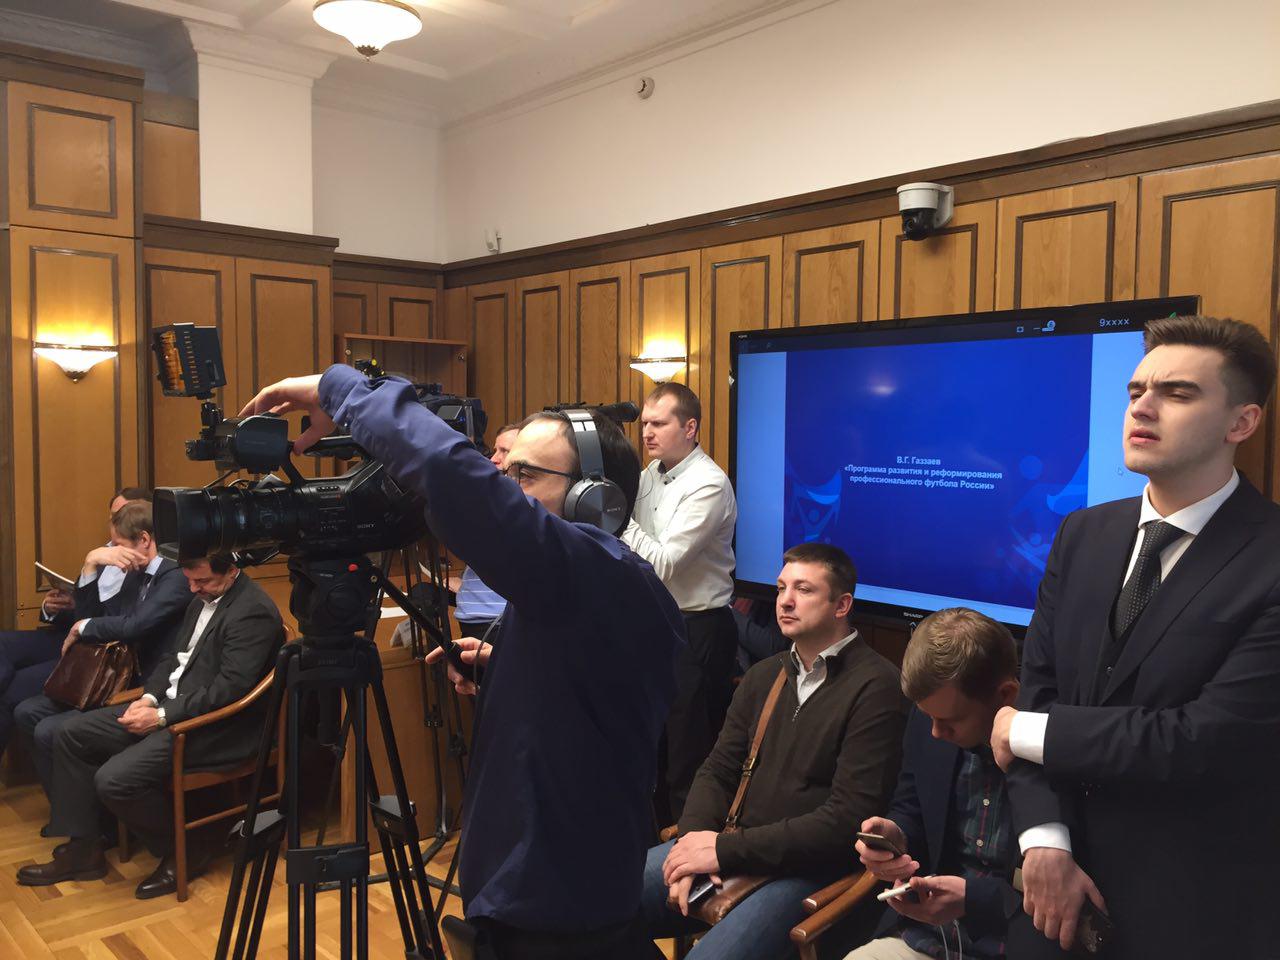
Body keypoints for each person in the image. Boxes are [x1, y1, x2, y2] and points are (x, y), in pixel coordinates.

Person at [240, 368, 683, 960]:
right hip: (530, 894)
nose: (505, 487)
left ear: (596, 499)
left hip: (563, 914)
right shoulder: (578, 585)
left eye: (524, 475)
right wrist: (507, 665)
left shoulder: (604, 573)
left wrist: (339, 390)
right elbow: (589, 688)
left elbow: (456, 477)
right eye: (504, 471)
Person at [988, 315, 1280, 957]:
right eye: (1136, 391)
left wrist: (1022, 731)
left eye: (1178, 393)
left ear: (1242, 423)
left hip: (1188, 909)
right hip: (1047, 897)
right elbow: (1040, 688)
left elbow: (1203, 740)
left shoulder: (1270, 557)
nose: (1142, 407)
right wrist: (1045, 841)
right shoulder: (1082, 533)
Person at [640, 543, 905, 960]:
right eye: (782, 588)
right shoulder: (764, 675)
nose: (785, 600)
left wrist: (720, 851)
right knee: (589, 904)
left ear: (842, 605)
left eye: (804, 589)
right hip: (730, 846)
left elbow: (845, 820)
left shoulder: (878, 686)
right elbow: (717, 771)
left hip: (805, 870)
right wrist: (693, 843)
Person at [17, 556, 284, 899]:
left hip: (213, 726)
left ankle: (186, 848)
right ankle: (85, 849)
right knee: (70, 734)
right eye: (189, 580)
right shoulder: (201, 597)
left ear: (232, 571)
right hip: (168, 708)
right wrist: (148, 697)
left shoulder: (253, 612)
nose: (193, 588)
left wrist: (161, 716)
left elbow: (228, 690)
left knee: (113, 779)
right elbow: (173, 658)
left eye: (202, 581)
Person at [846, 608, 1021, 960]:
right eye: (928, 717)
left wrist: (974, 899)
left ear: (1005, 696)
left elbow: (1072, 888)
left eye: (950, 721)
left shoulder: (1050, 746)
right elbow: (911, 806)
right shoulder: (932, 715)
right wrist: (896, 835)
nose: (936, 733)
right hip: (927, 934)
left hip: (1017, 939)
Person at [13, 500, 190, 811]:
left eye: (118, 544)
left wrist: (84, 626)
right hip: (112, 672)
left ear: (145, 539)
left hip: (143, 682)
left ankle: (88, 823)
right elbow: (93, 616)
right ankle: (70, 813)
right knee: (27, 712)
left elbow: (134, 625)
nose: (113, 550)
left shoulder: (175, 575)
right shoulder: (136, 570)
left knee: (49, 729)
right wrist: (90, 565)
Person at [622, 382, 738, 821]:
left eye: (658, 423)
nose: (646, 433)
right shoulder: (648, 475)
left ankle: (688, 850)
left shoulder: (709, 483)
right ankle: (650, 849)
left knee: (688, 754)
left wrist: (615, 517)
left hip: (698, 628)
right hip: (652, 622)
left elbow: (663, 563)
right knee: (650, 746)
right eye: (644, 424)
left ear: (690, 428)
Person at [0, 487, 151, 755]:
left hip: (98, 649)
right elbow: (83, 609)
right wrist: (55, 607)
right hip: (70, 633)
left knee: (15, 689)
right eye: (113, 516)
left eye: (126, 514)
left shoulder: (142, 561)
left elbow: (122, 621)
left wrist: (83, 616)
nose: (117, 522)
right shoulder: (104, 552)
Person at [453, 422, 519, 639]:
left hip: (498, 621)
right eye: (495, 450)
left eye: (505, 451)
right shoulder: (488, 496)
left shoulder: (518, 504)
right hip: (473, 617)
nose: (493, 459)